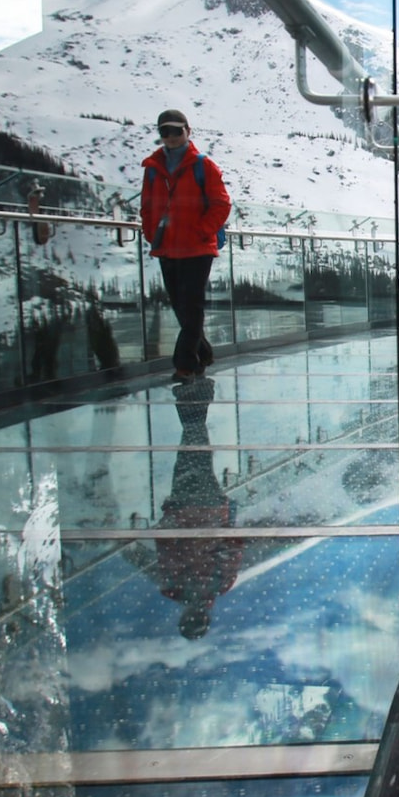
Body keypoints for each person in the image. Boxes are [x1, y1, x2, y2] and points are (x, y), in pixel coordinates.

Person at [139, 109, 231, 380]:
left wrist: (202, 231)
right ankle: (203, 353)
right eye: (165, 131)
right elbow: (146, 205)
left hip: (198, 248)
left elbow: (221, 204)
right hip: (167, 246)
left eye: (176, 130)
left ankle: (185, 364)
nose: (171, 137)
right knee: (180, 305)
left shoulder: (204, 166)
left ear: (188, 131)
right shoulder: (153, 169)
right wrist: (150, 232)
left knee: (191, 305)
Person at [154, 376, 245, 639]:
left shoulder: (219, 585)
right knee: (191, 452)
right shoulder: (175, 589)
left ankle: (197, 398)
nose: (192, 615)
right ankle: (193, 398)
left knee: (195, 452)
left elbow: (234, 545)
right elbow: (166, 548)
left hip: (206, 509)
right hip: (189, 508)